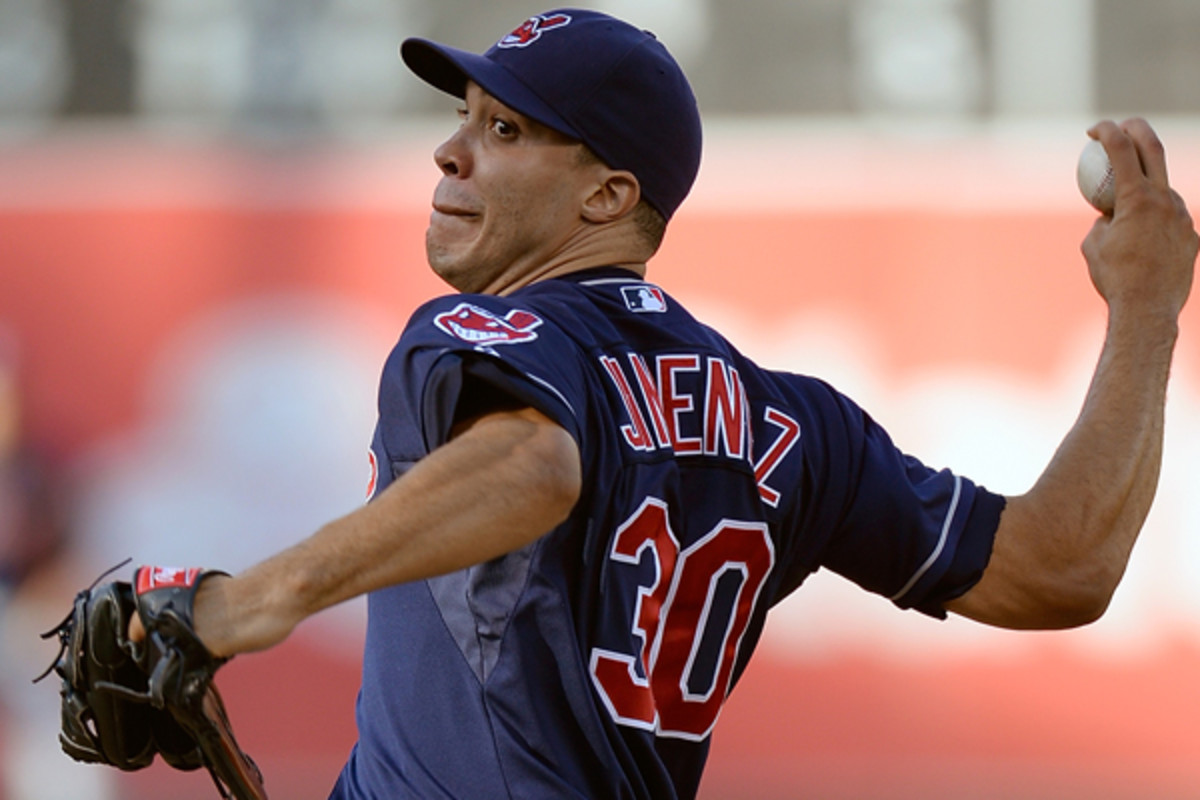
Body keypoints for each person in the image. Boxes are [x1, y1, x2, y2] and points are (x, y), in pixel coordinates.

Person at [131, 8, 1197, 799]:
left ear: (607, 196)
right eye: (465, 118)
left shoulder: (481, 333)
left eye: (506, 131)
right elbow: (1059, 567)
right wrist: (1146, 310)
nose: (451, 149)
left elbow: (533, 466)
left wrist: (246, 601)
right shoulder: (794, 423)